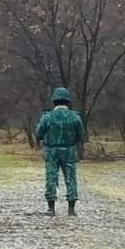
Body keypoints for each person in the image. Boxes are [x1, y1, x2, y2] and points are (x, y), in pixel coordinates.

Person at [35, 88, 85, 216]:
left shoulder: (47, 117)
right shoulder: (75, 117)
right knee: (71, 178)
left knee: (51, 178)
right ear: (68, 101)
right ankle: (71, 209)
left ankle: (51, 208)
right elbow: (81, 135)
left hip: (51, 151)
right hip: (69, 150)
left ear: (54, 101)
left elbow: (39, 133)